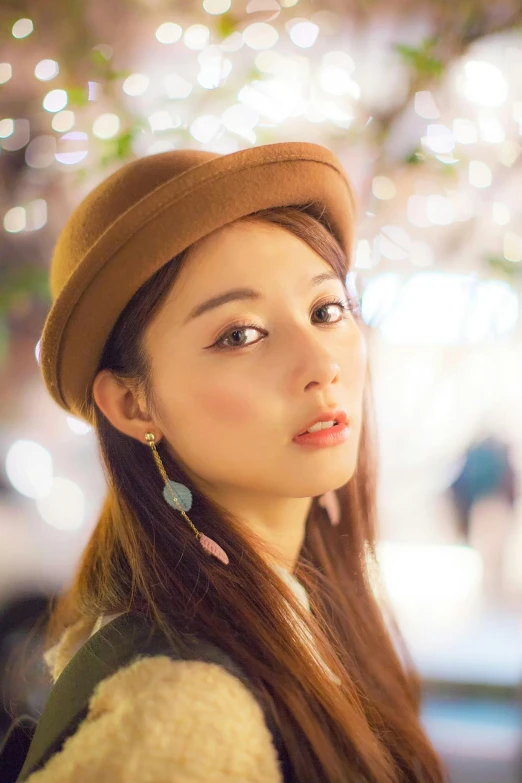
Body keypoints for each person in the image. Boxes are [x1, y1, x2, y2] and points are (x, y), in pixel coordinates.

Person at [12, 143, 445, 782]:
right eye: (240, 334)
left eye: (326, 310)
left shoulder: (304, 606)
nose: (321, 363)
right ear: (133, 404)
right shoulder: (179, 709)